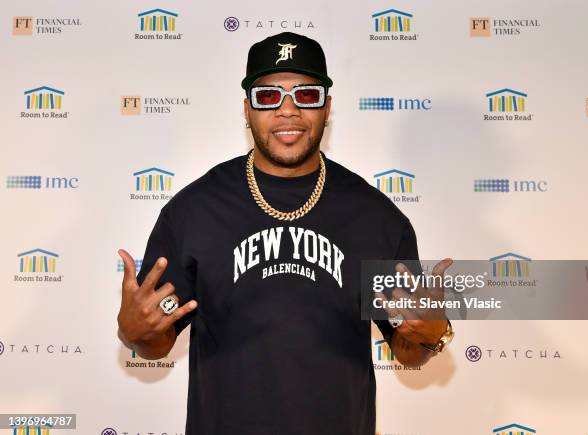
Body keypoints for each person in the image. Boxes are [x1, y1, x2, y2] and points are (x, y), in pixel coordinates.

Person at [117, 31, 454, 435]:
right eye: (268, 96)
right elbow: (160, 338)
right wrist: (135, 334)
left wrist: (432, 335)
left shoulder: (375, 217)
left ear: (327, 107)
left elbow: (406, 348)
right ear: (247, 109)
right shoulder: (194, 211)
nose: (288, 111)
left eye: (306, 95)